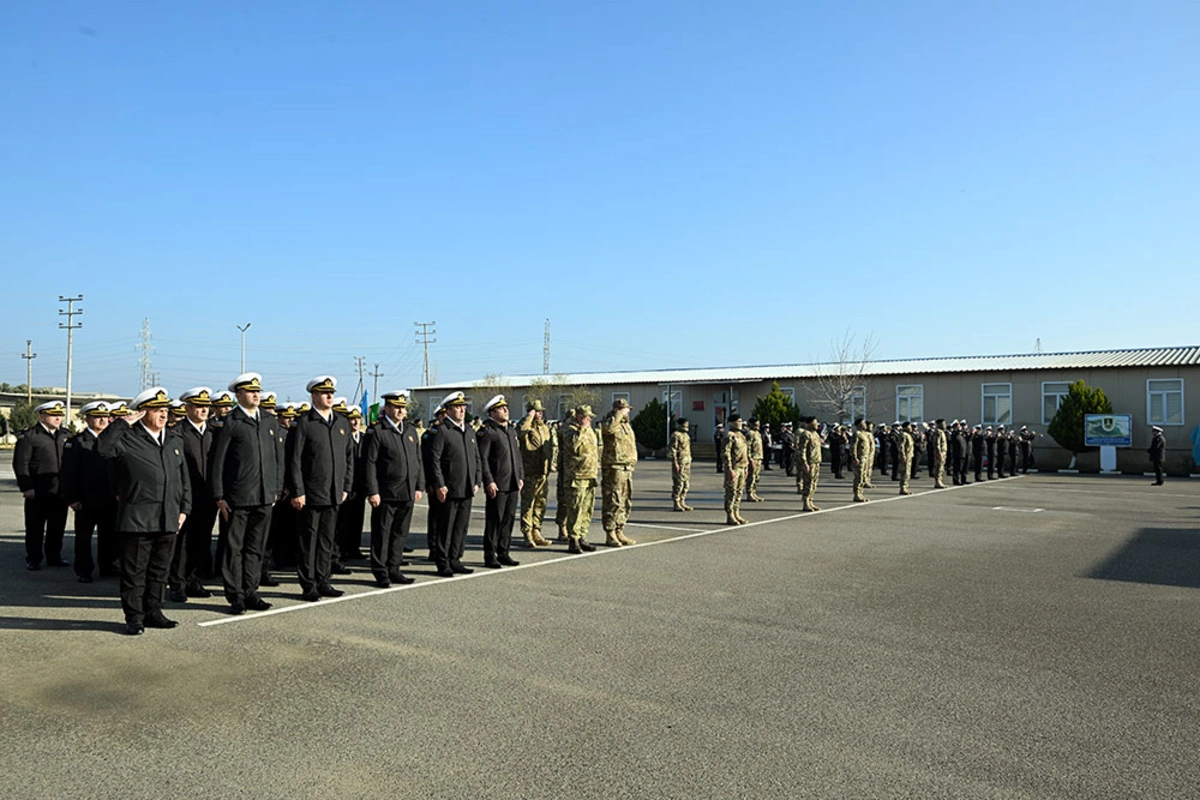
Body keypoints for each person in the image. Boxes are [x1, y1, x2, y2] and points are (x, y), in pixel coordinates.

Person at [97, 387, 191, 635]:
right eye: (158, 410)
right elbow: (103, 449)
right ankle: (134, 617)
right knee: (135, 573)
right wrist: (122, 424)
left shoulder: (173, 439)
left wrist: (184, 509)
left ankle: (154, 612)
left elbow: (183, 479)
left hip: (168, 518)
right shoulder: (127, 438)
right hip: (137, 519)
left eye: (165, 410)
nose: (164, 415)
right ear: (143, 413)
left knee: (160, 571)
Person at [210, 372, 284, 614]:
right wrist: (219, 495)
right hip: (238, 497)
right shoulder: (231, 422)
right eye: (251, 391)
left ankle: (251, 591)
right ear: (239, 395)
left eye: (258, 391)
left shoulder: (269, 420)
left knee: (256, 547)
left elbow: (277, 458)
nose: (256, 394)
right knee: (234, 548)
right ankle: (235, 595)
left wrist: (276, 489)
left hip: (264, 496)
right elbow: (218, 461)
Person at [287, 375, 355, 599]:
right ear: (314, 396)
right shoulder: (304, 423)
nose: (329, 396)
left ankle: (324, 580)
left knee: (327, 540)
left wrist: (346, 485)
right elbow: (294, 460)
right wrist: (298, 491)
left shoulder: (341, 423)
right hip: (311, 493)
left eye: (332, 393)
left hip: (334, 491)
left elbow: (348, 458)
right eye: (325, 393)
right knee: (309, 541)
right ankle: (309, 585)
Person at [364, 391, 423, 587]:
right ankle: (381, 571)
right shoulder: (377, 431)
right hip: (386, 492)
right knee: (382, 533)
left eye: (403, 407)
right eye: (396, 407)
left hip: (406, 491)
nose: (400, 410)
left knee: (400, 533)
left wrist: (419, 485)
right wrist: (373, 491)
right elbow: (370, 463)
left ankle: (394, 568)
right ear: (387, 408)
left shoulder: (410, 430)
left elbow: (417, 460)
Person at [424, 391, 483, 576]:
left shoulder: (469, 430)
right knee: (446, 527)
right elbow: (435, 460)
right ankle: (443, 562)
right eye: (458, 407)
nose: (462, 410)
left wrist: (477, 480)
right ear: (448, 410)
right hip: (449, 487)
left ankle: (456, 558)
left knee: (461, 527)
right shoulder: (443, 430)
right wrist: (439, 484)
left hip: (467, 486)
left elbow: (476, 458)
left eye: (463, 407)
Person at [168, 387, 217, 602]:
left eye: (206, 406)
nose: (203, 409)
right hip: (186, 496)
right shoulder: (177, 432)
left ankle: (194, 580)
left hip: (208, 496)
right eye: (198, 405)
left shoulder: (215, 432)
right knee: (182, 543)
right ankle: (177, 584)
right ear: (187, 408)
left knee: (201, 541)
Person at [61, 401, 119, 582]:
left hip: (110, 498)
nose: (102, 420)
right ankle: (84, 570)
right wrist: (72, 498)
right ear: (87, 419)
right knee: (84, 537)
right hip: (86, 500)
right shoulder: (76, 442)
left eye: (105, 416)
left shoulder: (114, 441)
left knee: (109, 536)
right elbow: (68, 473)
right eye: (97, 417)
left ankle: (107, 565)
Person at [13, 400, 71, 570]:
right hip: (37, 490)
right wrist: (26, 487)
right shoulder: (30, 436)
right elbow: (20, 464)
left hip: (60, 490)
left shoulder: (66, 435)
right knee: (35, 527)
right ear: (43, 416)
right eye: (54, 415)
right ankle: (33, 557)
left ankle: (54, 556)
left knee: (57, 526)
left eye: (60, 415)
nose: (57, 418)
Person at [477, 395, 524, 568]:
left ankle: (503, 552)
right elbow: (483, 459)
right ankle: (489, 555)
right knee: (494, 520)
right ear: (492, 412)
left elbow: (517, 456)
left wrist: (520, 476)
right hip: (498, 483)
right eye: (501, 409)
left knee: (508, 519)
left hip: (512, 482)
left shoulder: (510, 430)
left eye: (506, 408)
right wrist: (489, 481)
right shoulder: (487, 431)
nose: (506, 411)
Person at [334, 407, 369, 570]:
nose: (355, 422)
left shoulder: (364, 438)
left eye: (358, 419)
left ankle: (354, 548)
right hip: (346, 487)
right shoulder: (343, 438)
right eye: (352, 419)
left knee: (357, 520)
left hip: (360, 487)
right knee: (342, 522)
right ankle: (341, 552)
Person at [599, 398, 637, 547]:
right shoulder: (610, 422)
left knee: (625, 501)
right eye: (626, 410)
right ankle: (610, 533)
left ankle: (620, 530)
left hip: (626, 467)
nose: (628, 412)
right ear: (618, 409)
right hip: (613, 468)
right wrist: (618, 415)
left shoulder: (626, 425)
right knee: (613, 501)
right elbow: (608, 430)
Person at [561, 405, 599, 552]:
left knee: (586, 509)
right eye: (586, 417)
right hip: (576, 476)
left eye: (589, 417)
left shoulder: (590, 431)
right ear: (579, 416)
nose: (589, 419)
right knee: (575, 509)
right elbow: (574, 445)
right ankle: (573, 539)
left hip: (590, 475)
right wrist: (582, 428)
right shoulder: (569, 430)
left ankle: (582, 536)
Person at [517, 399, 554, 546]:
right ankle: (527, 533)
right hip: (529, 471)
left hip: (542, 471)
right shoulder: (526, 425)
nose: (539, 414)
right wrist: (529, 416)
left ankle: (536, 530)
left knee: (540, 502)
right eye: (536, 411)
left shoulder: (545, 427)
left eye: (540, 411)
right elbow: (521, 431)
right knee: (528, 503)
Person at [723, 414, 750, 525]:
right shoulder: (729, 435)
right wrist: (729, 469)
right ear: (732, 422)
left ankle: (736, 512)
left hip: (742, 467)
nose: (740, 423)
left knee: (739, 492)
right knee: (731, 492)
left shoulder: (741, 435)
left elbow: (745, 452)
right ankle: (730, 515)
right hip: (734, 468)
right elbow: (726, 453)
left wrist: (746, 467)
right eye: (738, 421)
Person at [797, 416, 822, 511]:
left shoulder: (815, 434)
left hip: (816, 462)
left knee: (813, 483)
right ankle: (806, 502)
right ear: (809, 424)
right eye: (814, 423)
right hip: (809, 462)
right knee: (807, 483)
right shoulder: (805, 434)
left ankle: (811, 501)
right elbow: (802, 450)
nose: (816, 425)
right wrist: (804, 463)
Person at [669, 418, 693, 511]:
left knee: (686, 483)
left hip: (687, 461)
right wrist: (675, 463)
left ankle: (682, 501)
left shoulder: (686, 435)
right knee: (678, 483)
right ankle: (676, 502)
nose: (686, 426)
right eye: (684, 425)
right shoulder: (676, 435)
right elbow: (673, 450)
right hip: (679, 462)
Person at [850, 418, 872, 502]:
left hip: (865, 457)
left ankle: (860, 493)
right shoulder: (857, 434)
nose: (865, 424)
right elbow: (853, 447)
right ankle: (856, 494)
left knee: (863, 476)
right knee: (858, 476)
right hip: (860, 458)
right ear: (859, 424)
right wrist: (854, 457)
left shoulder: (865, 434)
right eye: (863, 423)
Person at [744, 418, 764, 502]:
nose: (758, 426)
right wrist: (749, 458)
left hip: (758, 457)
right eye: (756, 425)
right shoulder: (750, 434)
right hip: (753, 458)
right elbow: (747, 447)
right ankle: (749, 493)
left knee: (756, 477)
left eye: (758, 425)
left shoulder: (758, 433)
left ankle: (754, 492)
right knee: (751, 477)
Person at [929, 419, 949, 489]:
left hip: (943, 452)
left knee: (941, 468)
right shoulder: (938, 432)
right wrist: (939, 453)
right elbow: (937, 444)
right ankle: (937, 482)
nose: (944, 425)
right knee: (938, 467)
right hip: (939, 453)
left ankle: (940, 481)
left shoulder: (942, 432)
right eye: (943, 423)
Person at [897, 422, 914, 495]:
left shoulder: (908, 435)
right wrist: (903, 455)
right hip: (905, 456)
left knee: (907, 473)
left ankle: (905, 487)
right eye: (909, 426)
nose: (910, 428)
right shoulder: (903, 435)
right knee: (904, 472)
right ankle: (903, 488)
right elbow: (901, 446)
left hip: (909, 456)